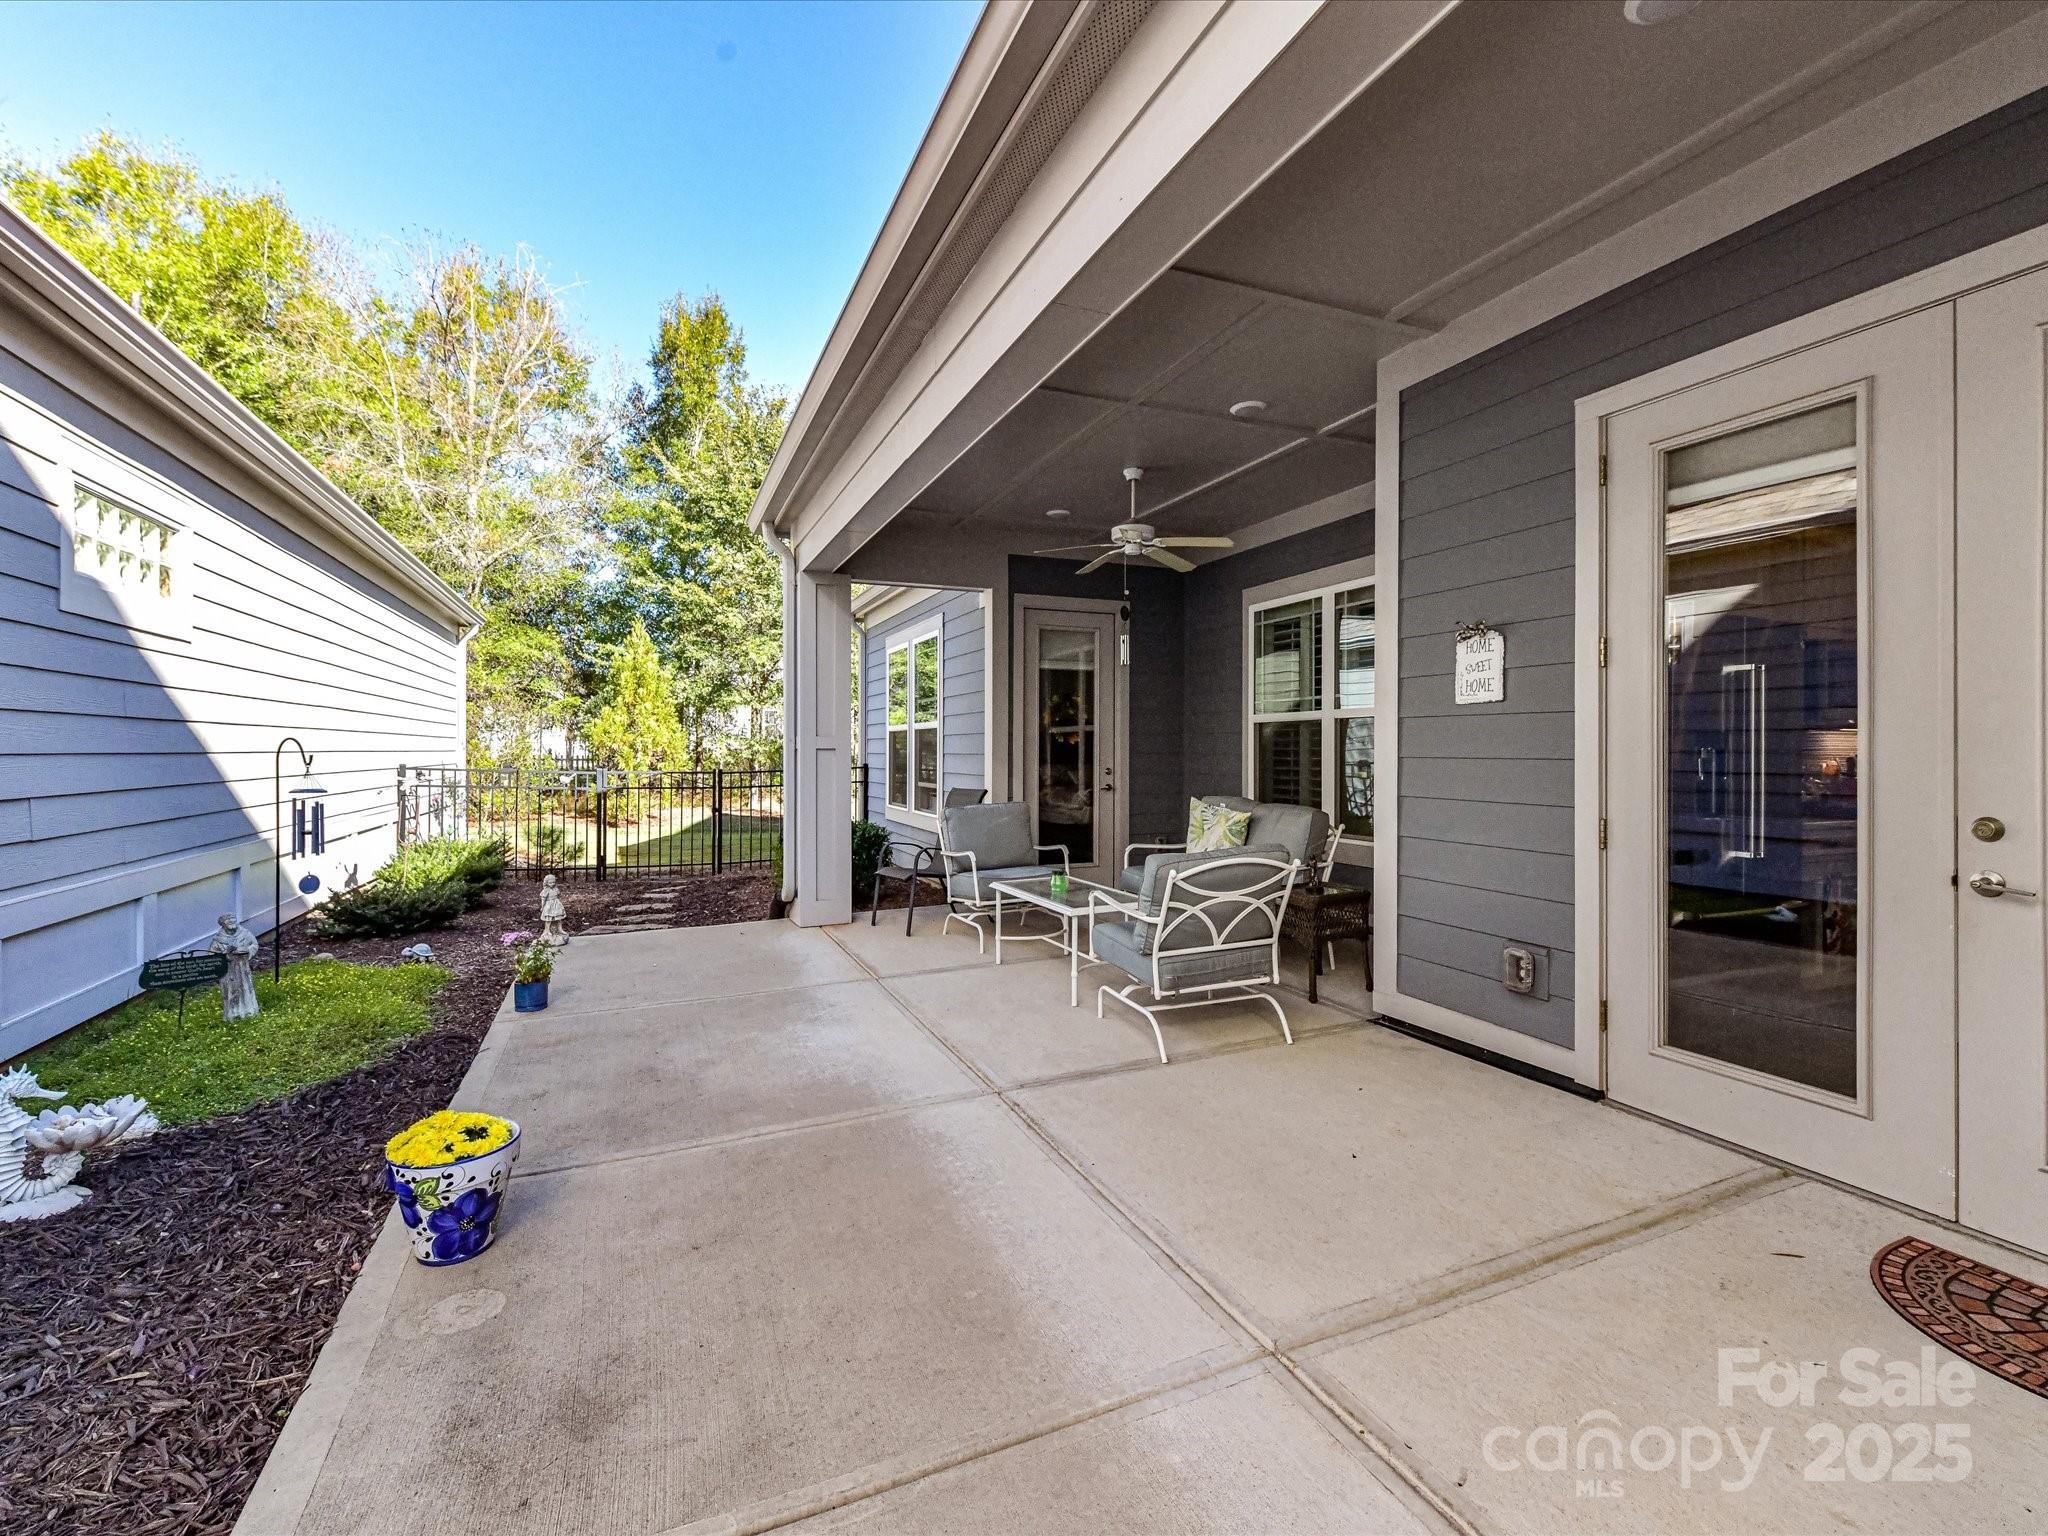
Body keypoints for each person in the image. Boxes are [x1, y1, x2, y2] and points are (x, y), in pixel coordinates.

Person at [209, 915, 260, 1020]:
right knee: (231, 990)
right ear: (223, 924)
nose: (232, 923)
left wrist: (245, 950)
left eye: (234, 921)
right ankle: (233, 1013)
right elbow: (212, 955)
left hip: (242, 967)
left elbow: (254, 944)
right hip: (228, 970)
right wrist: (225, 954)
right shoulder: (218, 939)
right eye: (229, 921)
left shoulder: (244, 933)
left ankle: (249, 1010)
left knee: (245, 987)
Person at [539, 874, 568, 947]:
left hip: (556, 905)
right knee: (549, 919)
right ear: (546, 883)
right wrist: (542, 907)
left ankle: (559, 929)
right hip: (549, 905)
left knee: (559, 918)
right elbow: (543, 900)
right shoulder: (545, 891)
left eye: (553, 882)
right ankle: (547, 930)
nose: (552, 884)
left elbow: (558, 896)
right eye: (550, 883)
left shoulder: (556, 889)